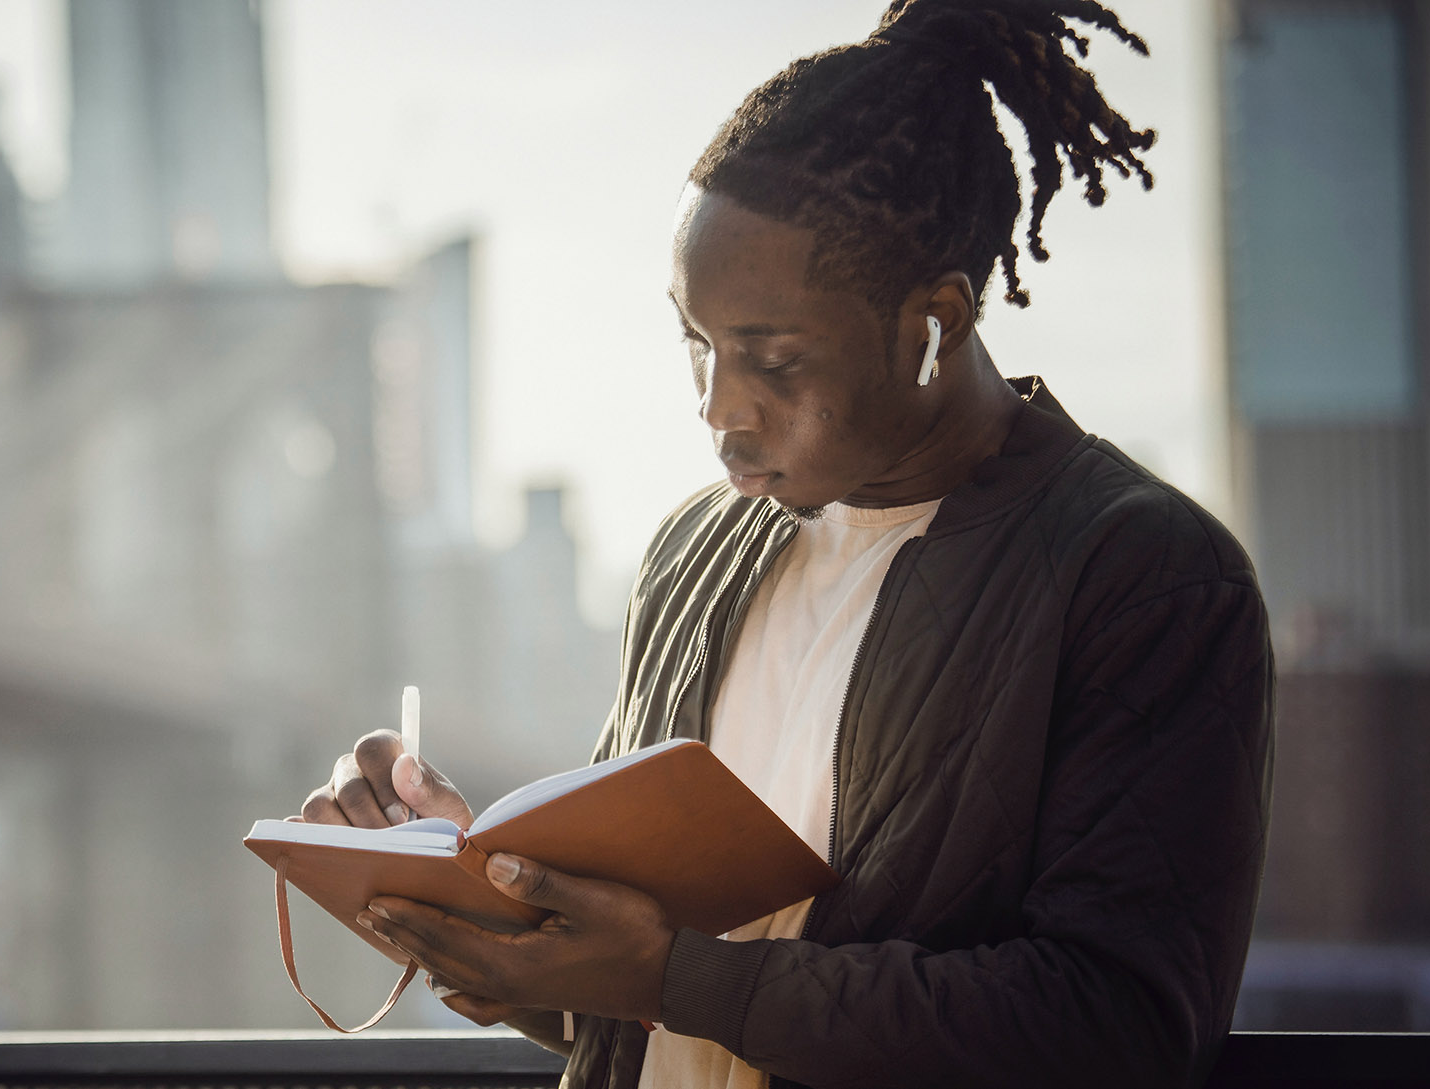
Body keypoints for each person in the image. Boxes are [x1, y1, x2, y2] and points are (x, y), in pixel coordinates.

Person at [296, 1, 1273, 1086]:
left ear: (934, 326)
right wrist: (486, 900)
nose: (718, 409)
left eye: (773, 361)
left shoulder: (1142, 574)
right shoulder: (692, 552)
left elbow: (1117, 1029)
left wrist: (672, 976)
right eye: (696, 343)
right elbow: (634, 1007)